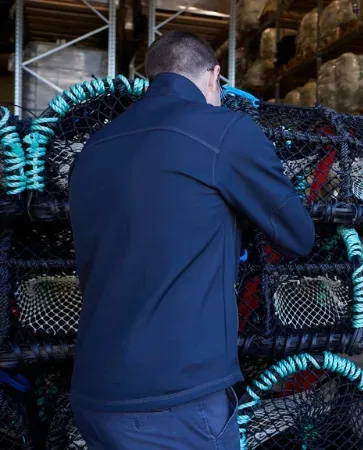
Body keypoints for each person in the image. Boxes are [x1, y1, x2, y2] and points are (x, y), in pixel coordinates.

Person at [67, 31, 314, 448]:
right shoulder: (222, 130)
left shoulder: (94, 146)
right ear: (216, 76)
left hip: (94, 391)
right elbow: (298, 234)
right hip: (174, 399)